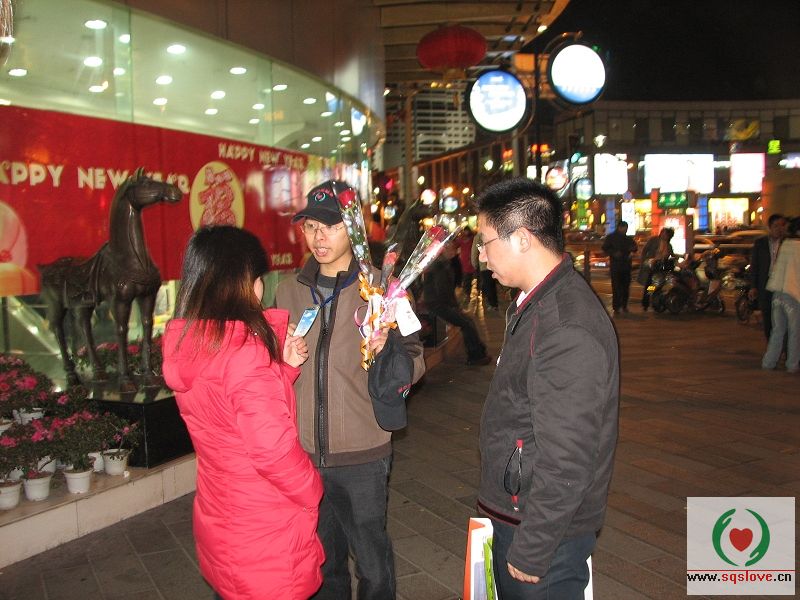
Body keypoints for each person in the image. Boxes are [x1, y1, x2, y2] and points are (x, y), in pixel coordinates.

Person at [276, 181, 426, 600]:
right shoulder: (288, 290)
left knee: (373, 564)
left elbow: (416, 361)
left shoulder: (386, 289)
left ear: (354, 229)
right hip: (305, 454)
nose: (318, 237)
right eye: (310, 227)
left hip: (363, 453)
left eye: (331, 226)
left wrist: (387, 350)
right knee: (323, 564)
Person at [474, 178, 619, 600]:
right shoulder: (537, 302)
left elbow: (568, 457)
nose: (480, 255)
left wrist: (534, 548)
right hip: (521, 512)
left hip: (541, 534)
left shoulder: (565, 327)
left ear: (522, 239)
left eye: (485, 242)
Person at [162, 226, 324, 600]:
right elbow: (271, 451)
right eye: (258, 277)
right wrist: (311, 488)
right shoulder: (244, 356)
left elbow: (228, 412)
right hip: (263, 526)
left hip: (222, 513)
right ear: (243, 283)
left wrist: (282, 369)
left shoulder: (193, 345)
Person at [422, 241, 491, 366]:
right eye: (451, 249)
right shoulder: (440, 265)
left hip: (440, 303)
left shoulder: (444, 263)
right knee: (466, 323)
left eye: (455, 249)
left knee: (468, 321)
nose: (454, 252)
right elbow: (442, 290)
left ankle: (479, 352)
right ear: (443, 249)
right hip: (437, 305)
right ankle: (476, 356)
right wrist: (455, 307)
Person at [761, 235, 800, 373]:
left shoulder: (785, 245)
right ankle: (792, 364)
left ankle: (768, 362)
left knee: (777, 330)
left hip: (777, 292)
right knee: (795, 332)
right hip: (793, 293)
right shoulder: (798, 247)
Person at [749, 214, 788, 340]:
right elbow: (755, 266)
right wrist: (753, 286)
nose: (779, 229)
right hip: (766, 285)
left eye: (782, 225)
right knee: (768, 317)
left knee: (784, 317)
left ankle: (783, 345)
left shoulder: (789, 243)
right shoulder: (760, 243)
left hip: (784, 285)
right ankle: (771, 343)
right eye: (776, 226)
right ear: (769, 227)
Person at [602, 221, 638, 315]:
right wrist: (614, 253)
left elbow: (635, 247)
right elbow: (605, 248)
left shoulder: (628, 238)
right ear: (619, 228)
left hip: (625, 265)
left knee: (625, 287)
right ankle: (617, 306)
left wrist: (632, 250)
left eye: (626, 229)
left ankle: (623, 305)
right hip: (616, 265)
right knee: (617, 287)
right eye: (624, 229)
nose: (625, 231)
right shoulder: (611, 237)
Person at [636, 227, 675, 311]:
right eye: (662, 233)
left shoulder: (668, 245)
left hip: (662, 267)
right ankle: (646, 302)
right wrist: (644, 260)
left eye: (665, 234)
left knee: (659, 285)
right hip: (653, 265)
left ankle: (656, 301)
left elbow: (672, 255)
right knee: (650, 285)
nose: (663, 235)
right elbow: (645, 250)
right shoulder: (654, 240)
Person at [472, 232, 499, 311]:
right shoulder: (493, 232)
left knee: (488, 284)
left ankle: (492, 303)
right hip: (495, 263)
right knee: (492, 284)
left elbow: (474, 251)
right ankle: (494, 302)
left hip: (484, 265)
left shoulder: (478, 236)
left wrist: (475, 264)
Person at [456, 228, 477, 304]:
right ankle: (466, 293)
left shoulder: (472, 240)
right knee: (465, 278)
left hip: (469, 261)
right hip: (462, 261)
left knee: (468, 278)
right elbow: (456, 244)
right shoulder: (461, 240)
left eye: (466, 231)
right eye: (464, 231)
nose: (465, 233)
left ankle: (467, 294)